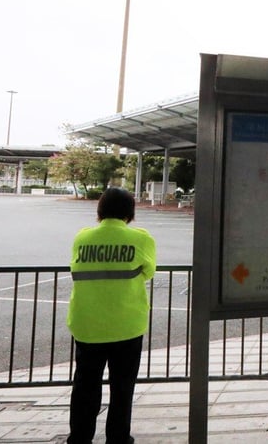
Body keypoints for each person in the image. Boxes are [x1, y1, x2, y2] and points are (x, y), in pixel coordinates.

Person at [66, 187, 157, 444]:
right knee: (122, 386)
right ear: (130, 211)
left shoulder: (82, 238)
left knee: (85, 384)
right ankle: (118, 438)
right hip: (127, 324)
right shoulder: (140, 238)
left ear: (100, 210)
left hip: (87, 323)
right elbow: (148, 271)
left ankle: (80, 437)